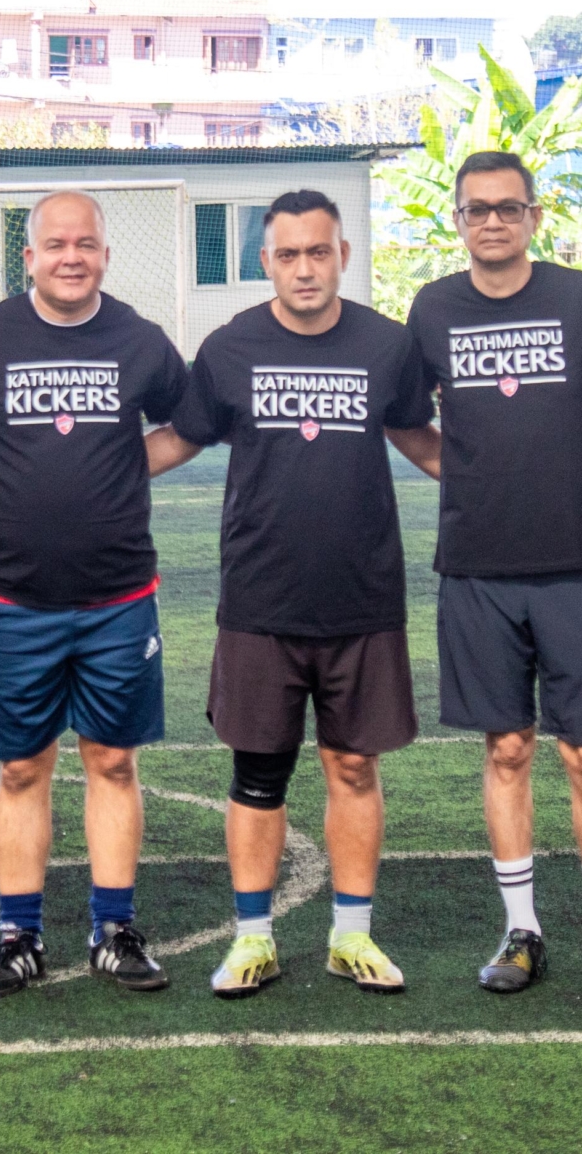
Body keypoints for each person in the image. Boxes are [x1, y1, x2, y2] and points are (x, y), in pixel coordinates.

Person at [160, 190, 437, 998]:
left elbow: (420, 438)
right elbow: (181, 438)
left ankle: (353, 935)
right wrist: (87, 474)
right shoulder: (229, 347)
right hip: (261, 601)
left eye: (319, 252)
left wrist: (507, 481)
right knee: (258, 773)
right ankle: (253, 939)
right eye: (288, 255)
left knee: (354, 765)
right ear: (266, 262)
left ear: (342, 255)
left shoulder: (387, 345)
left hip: (362, 597)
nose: (305, 268)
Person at [0, 189, 193, 998]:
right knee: (21, 767)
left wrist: (121, 469)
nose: (70, 257)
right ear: (30, 257)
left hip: (118, 594)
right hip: (12, 595)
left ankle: (114, 928)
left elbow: (188, 423)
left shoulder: (140, 340)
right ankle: (19, 936)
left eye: (85, 244)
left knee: (112, 760)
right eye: (55, 244)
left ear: (105, 255)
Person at [402, 150, 582, 995]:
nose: (494, 221)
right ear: (459, 221)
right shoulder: (433, 307)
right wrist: (464, 472)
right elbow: (404, 417)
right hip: (478, 564)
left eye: (510, 207)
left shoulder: (579, 296)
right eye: (478, 209)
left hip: (575, 560)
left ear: (535, 216)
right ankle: (521, 931)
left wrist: (574, 455)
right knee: (507, 748)